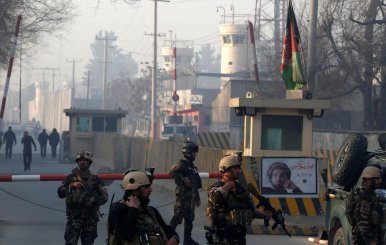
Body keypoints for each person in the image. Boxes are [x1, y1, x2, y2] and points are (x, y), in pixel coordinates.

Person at [206, 153, 272, 245]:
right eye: (235, 168)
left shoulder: (242, 189)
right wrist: (227, 186)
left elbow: (251, 211)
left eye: (239, 168)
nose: (239, 170)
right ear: (226, 170)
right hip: (223, 238)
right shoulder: (216, 188)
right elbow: (215, 199)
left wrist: (263, 215)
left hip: (240, 238)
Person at [107, 169, 179, 245]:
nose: (151, 190)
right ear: (135, 190)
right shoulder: (118, 209)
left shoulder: (151, 211)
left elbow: (168, 231)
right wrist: (133, 209)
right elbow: (126, 233)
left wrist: (174, 238)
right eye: (147, 187)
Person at [57, 150, 108, 245]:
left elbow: (105, 196)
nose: (82, 162)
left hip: (90, 219)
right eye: (80, 160)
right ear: (77, 161)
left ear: (89, 163)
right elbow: (60, 193)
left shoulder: (96, 180)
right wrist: (71, 186)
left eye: (85, 160)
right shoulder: (70, 178)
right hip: (74, 218)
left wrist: (94, 201)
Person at [169, 141, 202, 245]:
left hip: (191, 196)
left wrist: (197, 197)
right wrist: (183, 179)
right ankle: (168, 236)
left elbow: (195, 182)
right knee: (177, 217)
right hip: (183, 196)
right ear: (188, 152)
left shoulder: (191, 166)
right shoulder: (181, 164)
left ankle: (187, 239)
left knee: (189, 219)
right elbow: (171, 172)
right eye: (193, 153)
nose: (195, 155)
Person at [346, 166, 383, 245]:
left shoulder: (370, 193)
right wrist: (370, 241)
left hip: (370, 235)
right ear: (369, 179)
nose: (380, 181)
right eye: (377, 179)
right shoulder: (363, 195)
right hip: (363, 239)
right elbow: (362, 220)